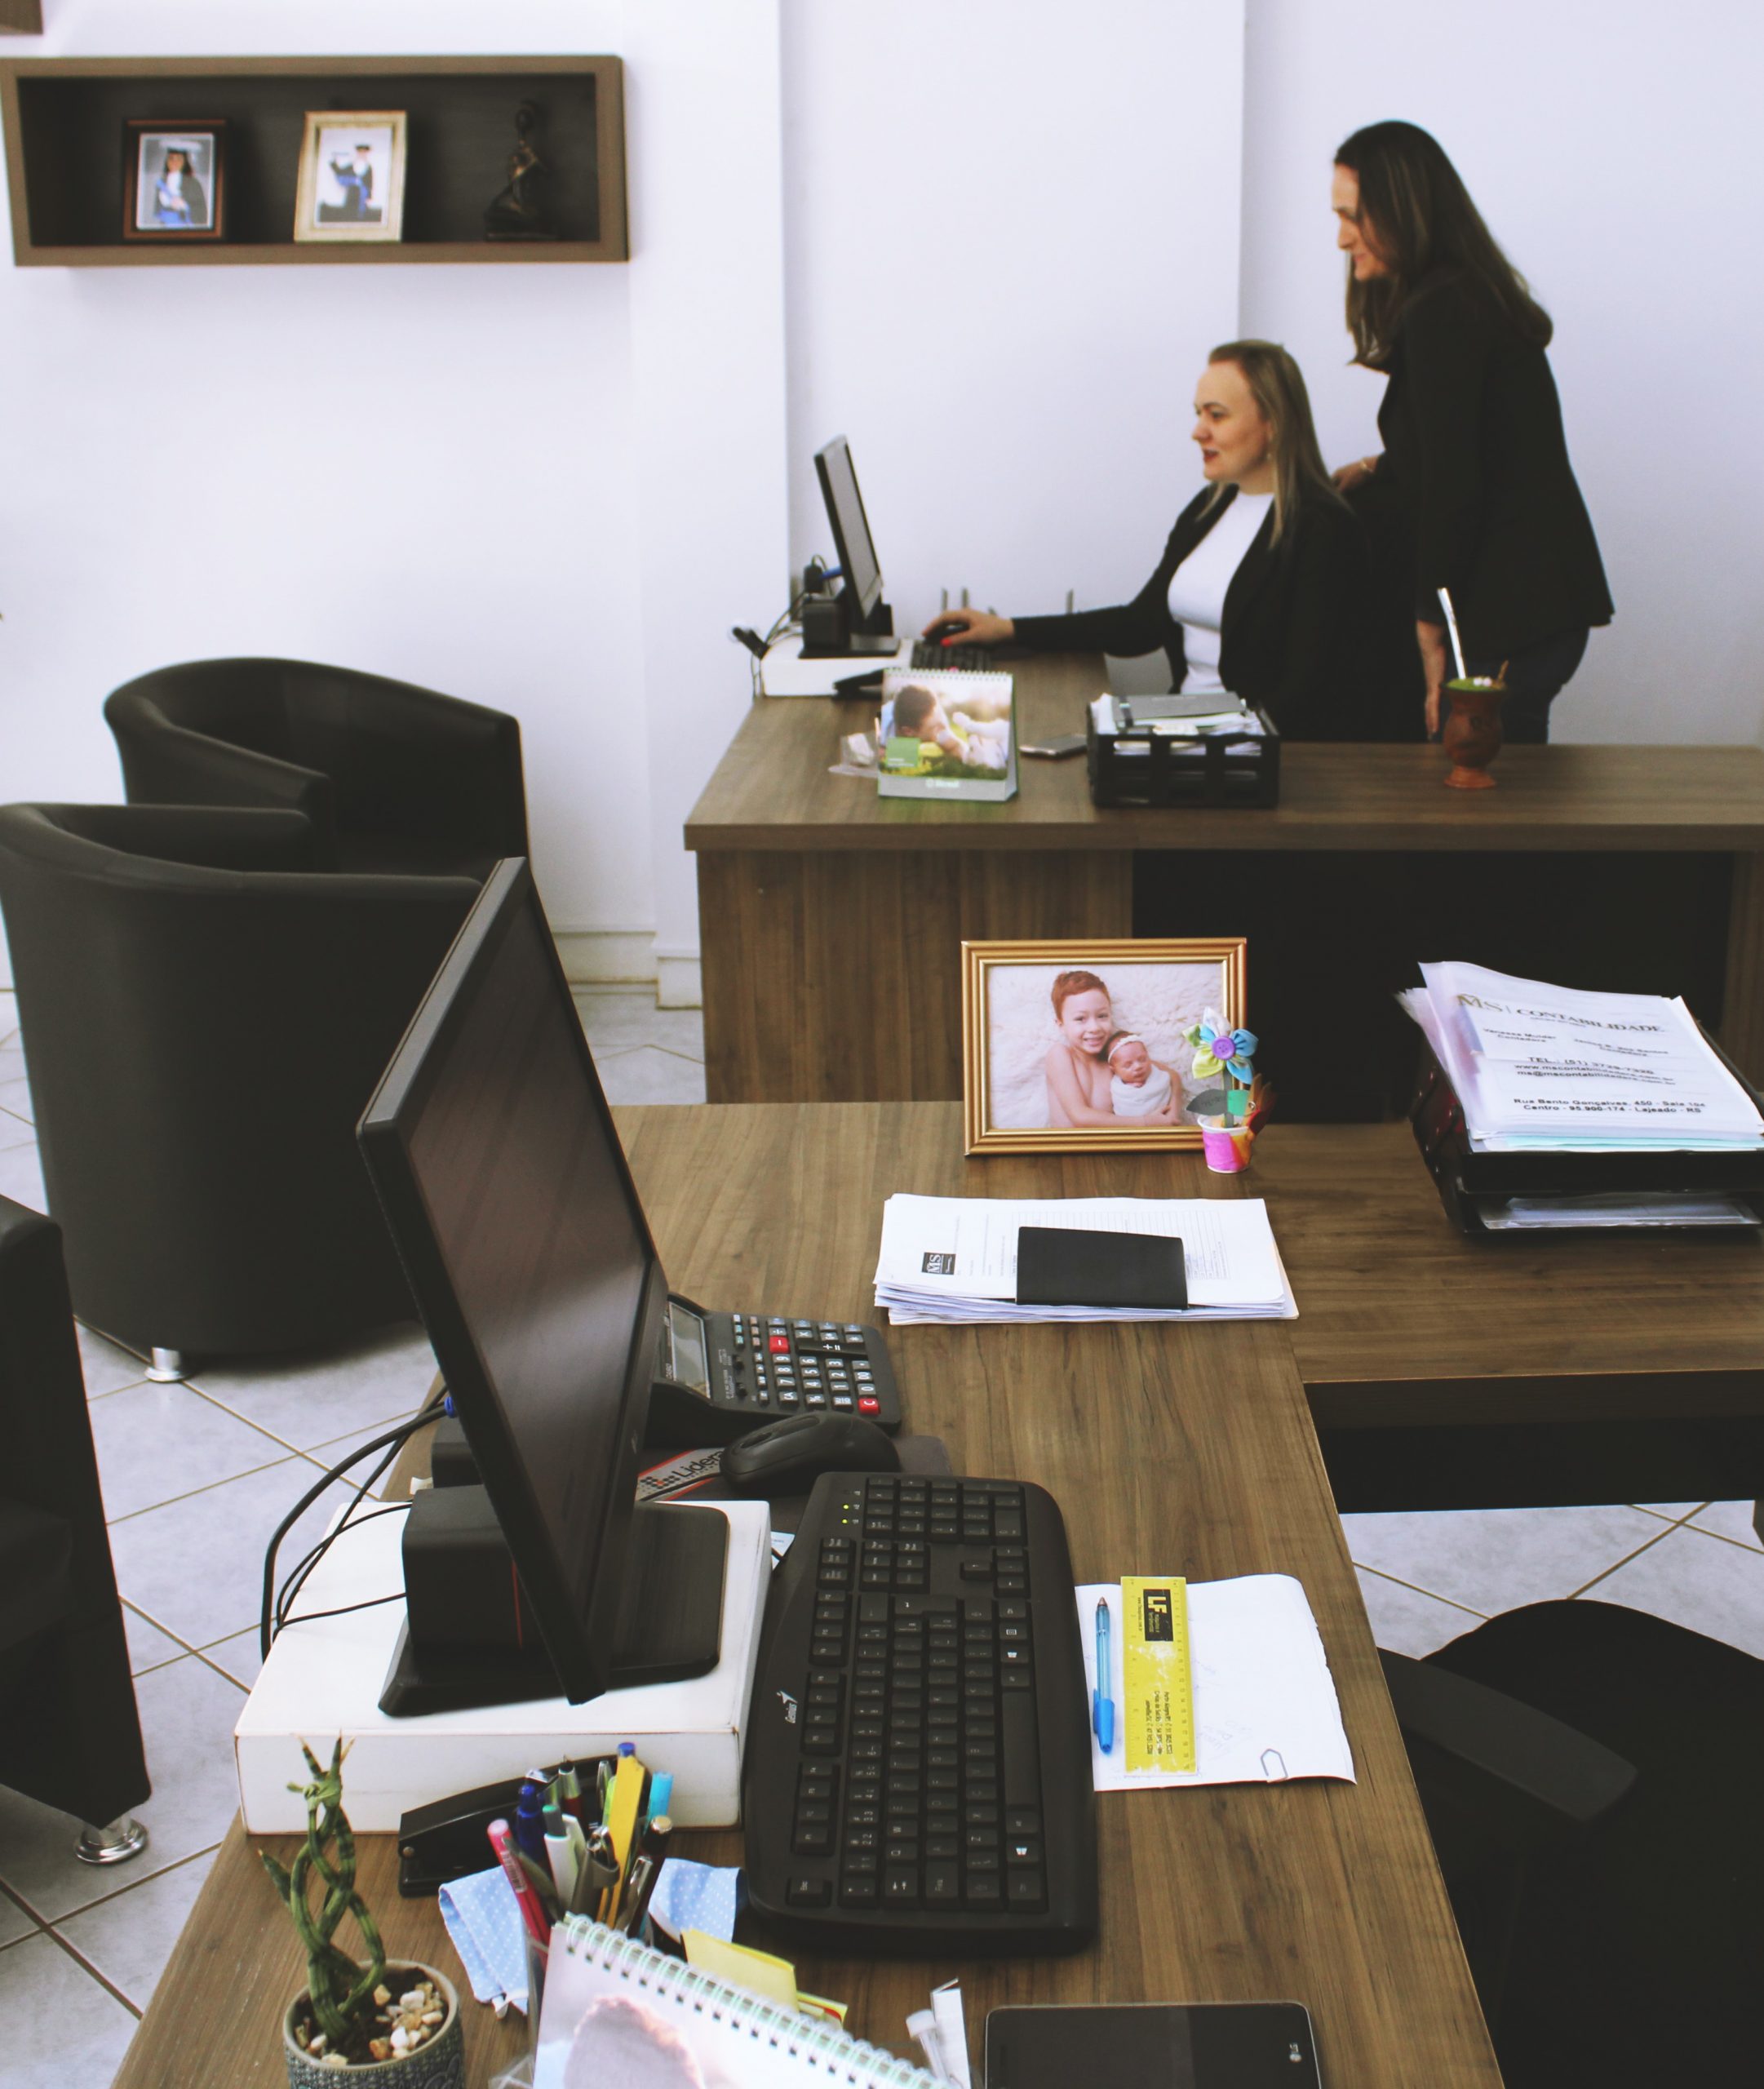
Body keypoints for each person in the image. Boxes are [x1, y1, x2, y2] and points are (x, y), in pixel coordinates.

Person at [923, 340, 1378, 741]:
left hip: (1246, 753)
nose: (1198, 431)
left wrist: (1178, 737)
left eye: (1217, 415)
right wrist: (1010, 629)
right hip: (1186, 734)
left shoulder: (1322, 528)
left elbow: (1304, 693)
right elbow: (1140, 623)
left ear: (1274, 423)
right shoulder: (1212, 506)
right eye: (1198, 414)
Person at [1330, 121, 1612, 743]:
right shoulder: (1463, 294)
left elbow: (1454, 483)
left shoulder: (1442, 309)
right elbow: (1476, 440)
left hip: (1506, 609)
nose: (1343, 237)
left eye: (1353, 217)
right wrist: (1379, 467)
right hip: (1532, 605)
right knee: (1491, 790)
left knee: (1476, 790)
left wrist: (1430, 625)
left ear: (1402, 208)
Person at [1103, 1031, 1184, 1124]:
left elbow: (1172, 1079)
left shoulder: (1157, 1074)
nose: (1138, 1067)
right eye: (1128, 1065)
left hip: (1164, 1117)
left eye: (1142, 1059)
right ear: (1114, 1069)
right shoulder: (1118, 1087)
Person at [151, 145, 206, 230]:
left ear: (185, 162)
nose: (174, 162)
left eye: (179, 159)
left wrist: (185, 205)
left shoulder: (194, 183)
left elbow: (201, 210)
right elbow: (156, 209)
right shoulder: (162, 182)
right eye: (171, 158)